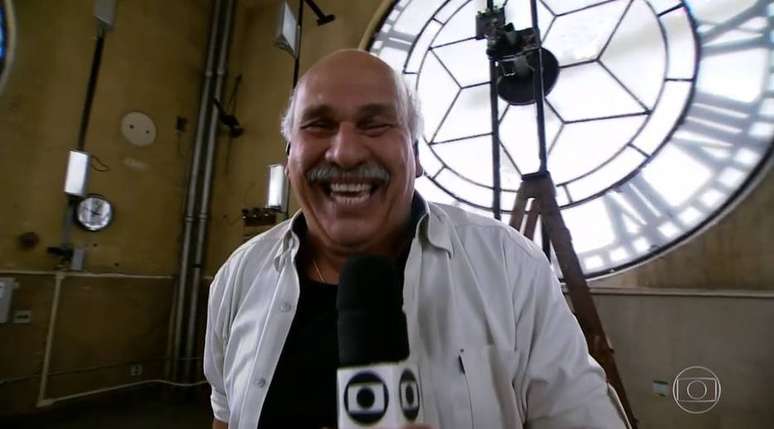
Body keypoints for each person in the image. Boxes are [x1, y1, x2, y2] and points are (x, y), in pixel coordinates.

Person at [204, 49, 630, 429]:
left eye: (375, 125)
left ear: (416, 155)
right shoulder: (238, 276)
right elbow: (224, 414)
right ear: (289, 157)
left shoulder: (509, 266)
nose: (346, 153)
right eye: (318, 125)